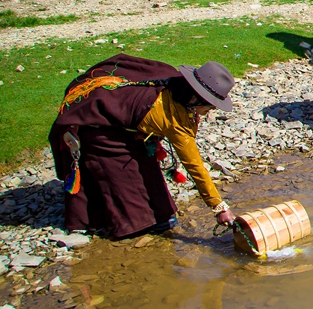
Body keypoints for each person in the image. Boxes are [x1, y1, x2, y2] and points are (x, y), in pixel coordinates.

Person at [49, 54, 237, 239]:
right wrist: (219, 207)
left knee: (145, 166)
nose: (210, 111)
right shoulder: (172, 119)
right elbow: (195, 166)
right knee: (122, 174)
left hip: (123, 124)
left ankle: (154, 216)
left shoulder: (175, 83)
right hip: (96, 127)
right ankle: (116, 222)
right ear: (195, 99)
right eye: (210, 106)